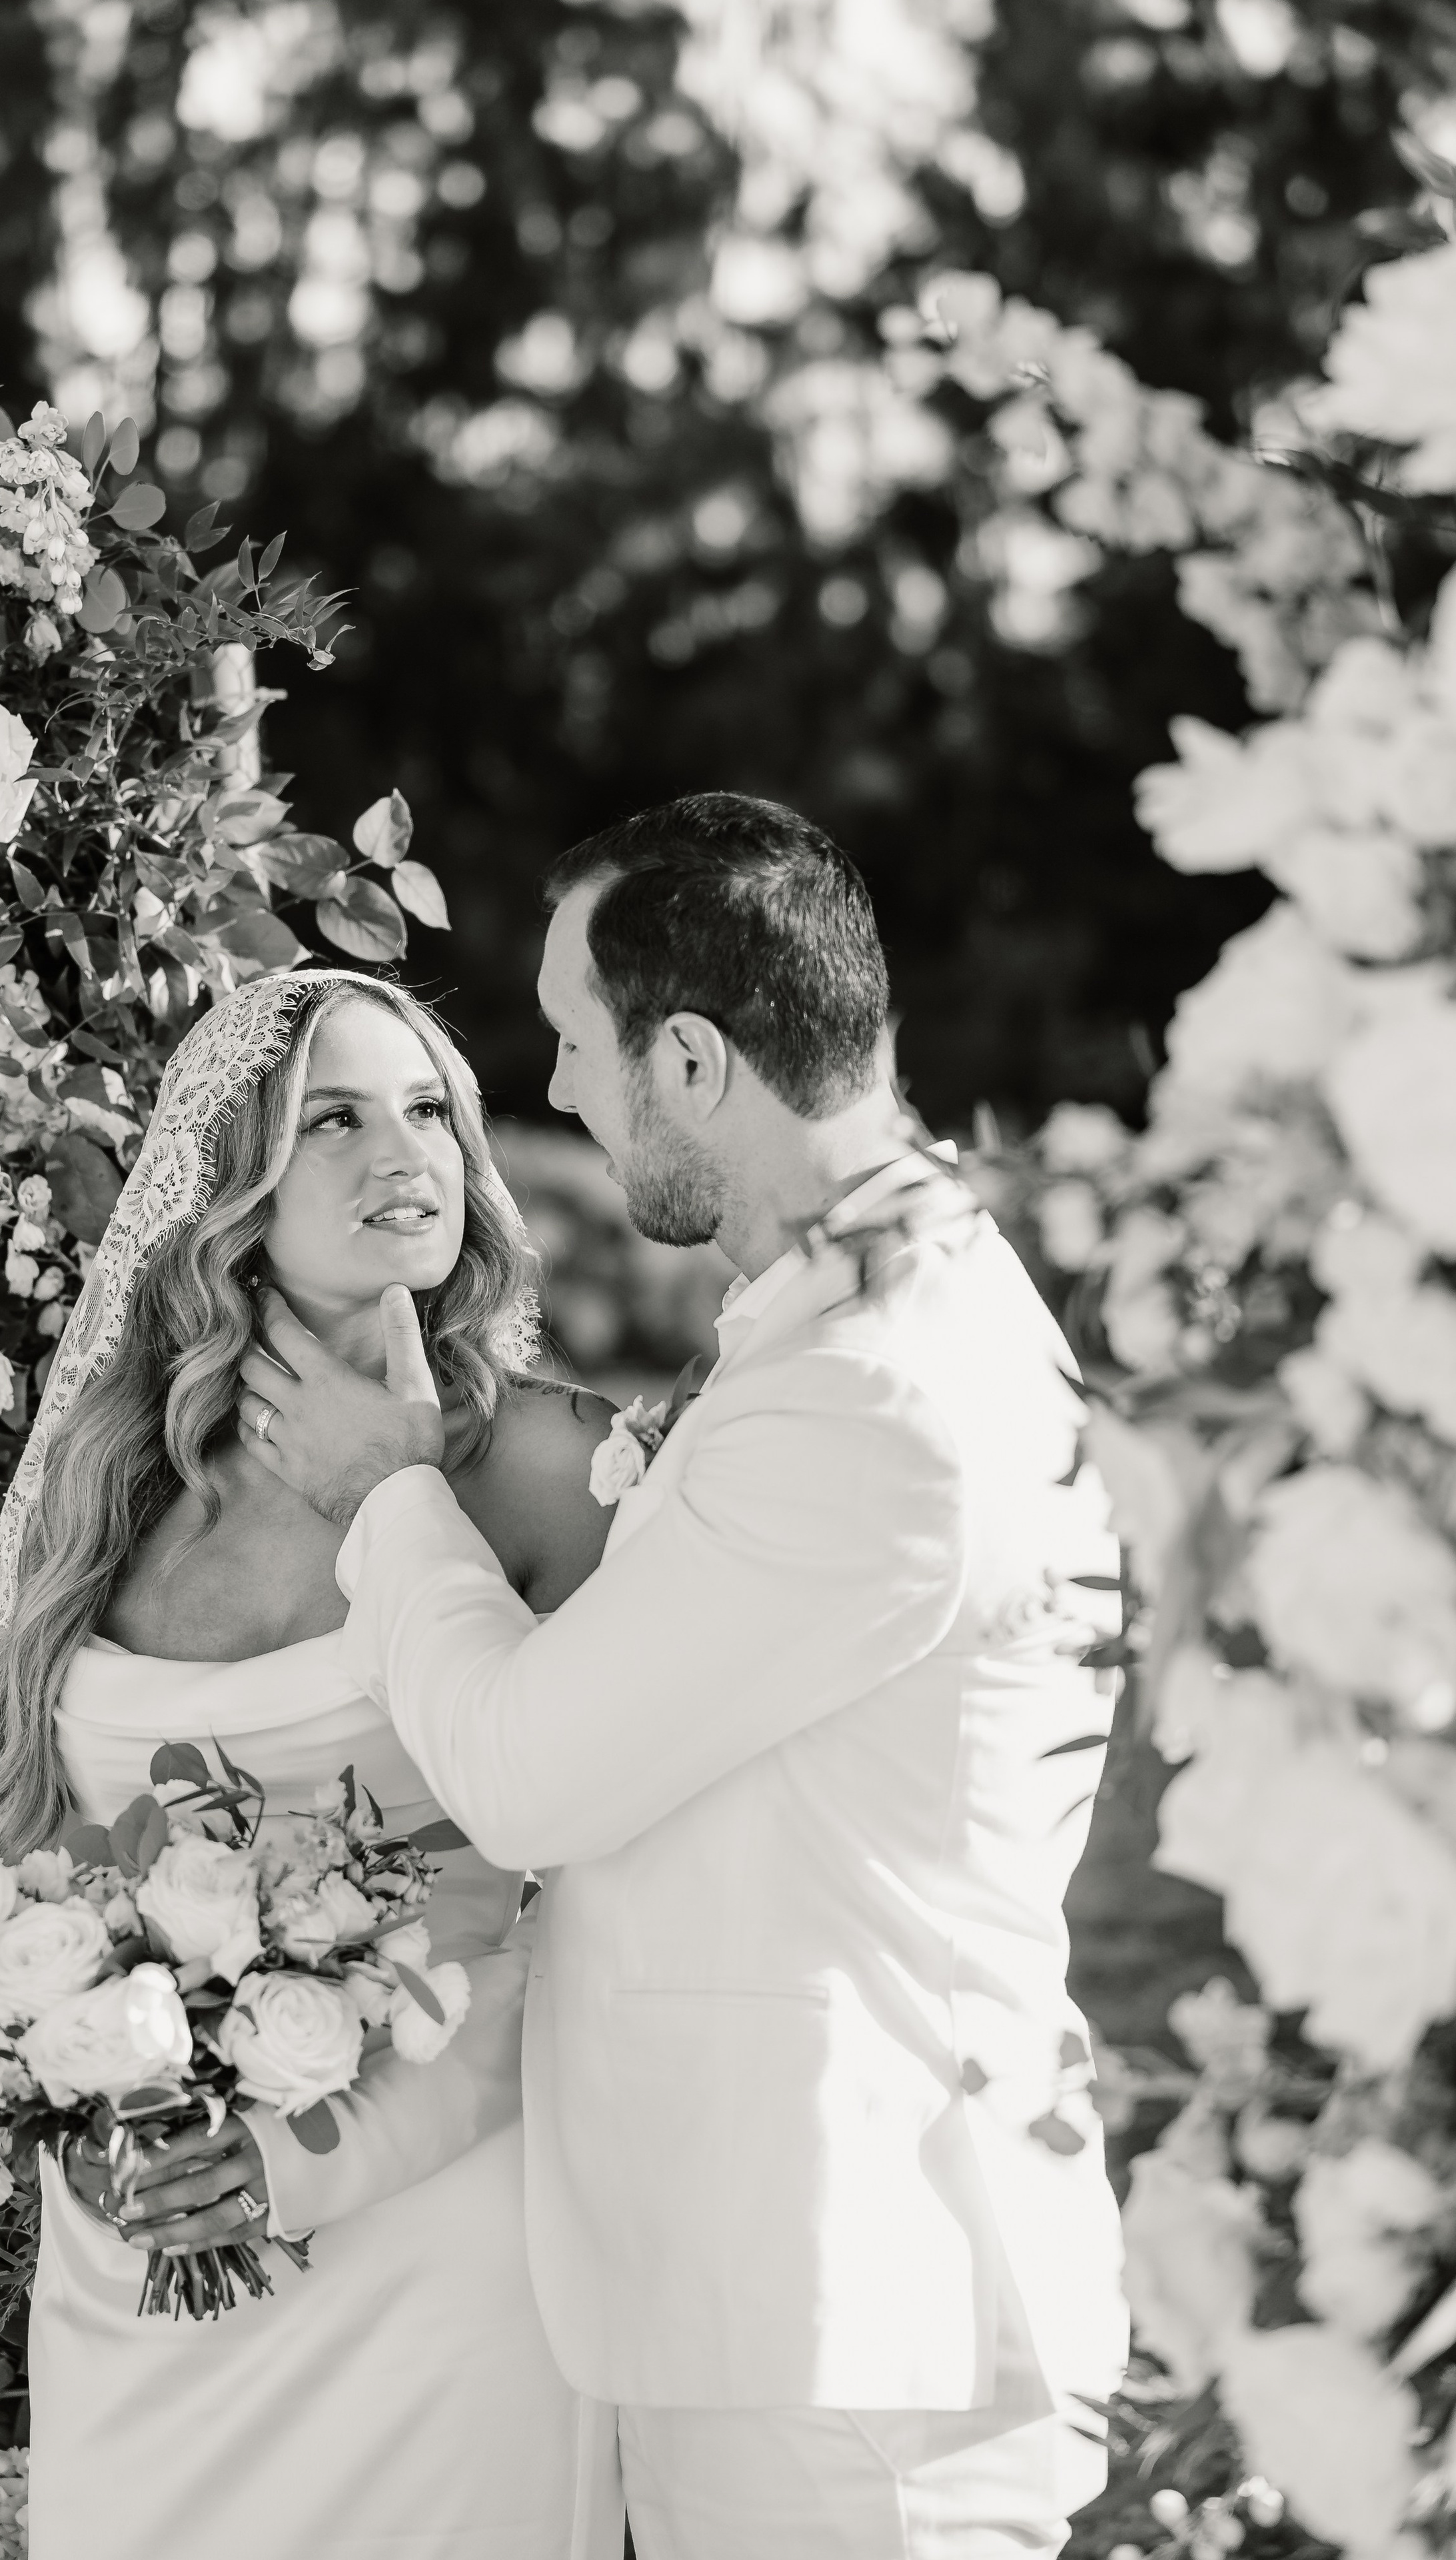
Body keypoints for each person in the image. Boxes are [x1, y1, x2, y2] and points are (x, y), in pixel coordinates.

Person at [235, 795, 1130, 2560]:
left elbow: (530, 1770)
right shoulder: (857, 1306)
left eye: (577, 1044)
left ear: (696, 1059)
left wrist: (389, 1485)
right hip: (786, 2297)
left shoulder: (880, 1386)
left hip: (853, 2351)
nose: (556, 1092)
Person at [0, 967, 625, 2560]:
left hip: (432, 2238)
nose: (397, 1153)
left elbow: (614, 1917)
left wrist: (298, 2150)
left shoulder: (542, 1464)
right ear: (230, 1184)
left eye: (424, 1111)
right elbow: (29, 1861)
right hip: (145, 2264)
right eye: (330, 1117)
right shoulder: (108, 1487)